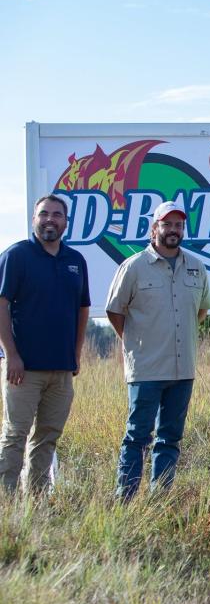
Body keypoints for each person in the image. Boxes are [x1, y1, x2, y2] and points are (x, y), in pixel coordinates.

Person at [106, 200, 210, 500]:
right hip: (146, 369)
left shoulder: (196, 267)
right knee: (138, 437)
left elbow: (200, 310)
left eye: (179, 225)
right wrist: (137, 342)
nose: (173, 230)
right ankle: (124, 501)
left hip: (183, 369)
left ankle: (159, 500)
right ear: (154, 229)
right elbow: (115, 311)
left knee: (170, 438)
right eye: (167, 224)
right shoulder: (134, 266)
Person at [0, 195, 90, 494]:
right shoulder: (17, 255)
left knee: (48, 437)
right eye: (43, 214)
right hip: (22, 370)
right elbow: (1, 304)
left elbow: (82, 309)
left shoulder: (75, 261)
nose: (50, 219)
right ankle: (7, 505)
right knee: (15, 435)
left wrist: (75, 354)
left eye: (56, 215)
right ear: (34, 220)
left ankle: (36, 503)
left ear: (66, 222)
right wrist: (11, 355)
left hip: (61, 370)